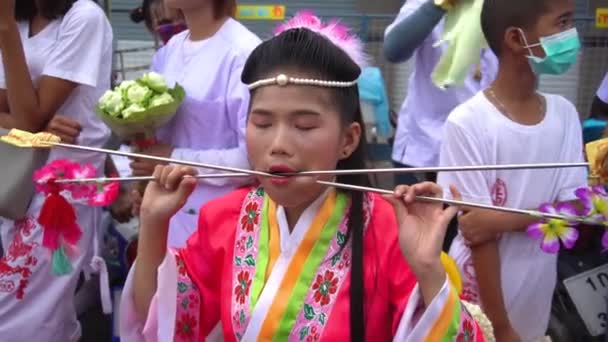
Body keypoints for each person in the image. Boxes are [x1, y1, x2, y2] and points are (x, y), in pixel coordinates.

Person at [119, 13, 492, 341]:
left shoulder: (389, 228)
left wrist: (428, 269)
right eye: (262, 123)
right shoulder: (223, 219)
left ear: (348, 140)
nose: (278, 144)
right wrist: (153, 224)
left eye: (304, 125)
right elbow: (165, 322)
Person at [437, 0, 587, 340]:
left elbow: (578, 211)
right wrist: (499, 326)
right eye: (562, 23)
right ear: (516, 39)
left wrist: (502, 219)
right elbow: (477, 235)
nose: (572, 35)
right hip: (482, 302)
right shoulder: (468, 123)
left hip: (536, 296)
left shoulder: (564, 115)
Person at [0, 0, 113, 340]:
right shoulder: (19, 18)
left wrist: (4, 27)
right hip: (13, 176)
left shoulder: (84, 16)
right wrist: (34, 123)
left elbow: (27, 117)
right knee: (29, 300)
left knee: (26, 306)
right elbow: (19, 114)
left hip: (62, 185)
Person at [128, 0, 261, 248]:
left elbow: (254, 160)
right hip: (164, 216)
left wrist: (173, 157)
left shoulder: (244, 54)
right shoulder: (168, 53)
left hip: (218, 226)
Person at [384, 0, 498, 186]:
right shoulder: (425, 2)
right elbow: (394, 50)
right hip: (425, 150)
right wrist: (437, 5)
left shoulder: (508, 7)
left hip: (486, 153)